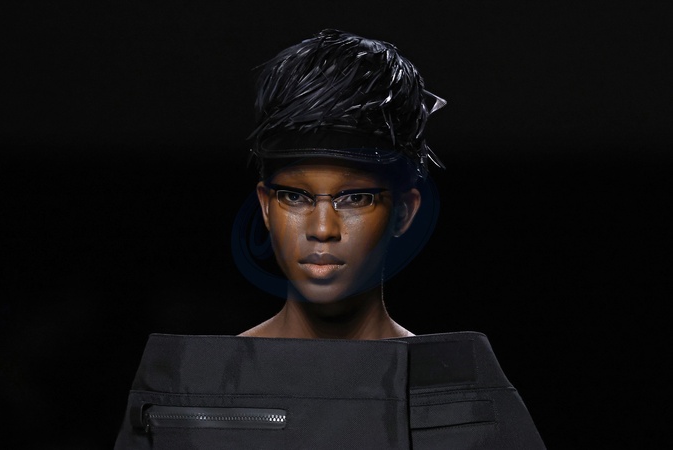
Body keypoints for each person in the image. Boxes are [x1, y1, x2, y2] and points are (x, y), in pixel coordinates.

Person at [114, 29, 546, 449]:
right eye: (294, 196)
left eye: (355, 197)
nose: (322, 228)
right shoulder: (190, 390)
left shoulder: (466, 401)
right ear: (266, 207)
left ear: (403, 211)